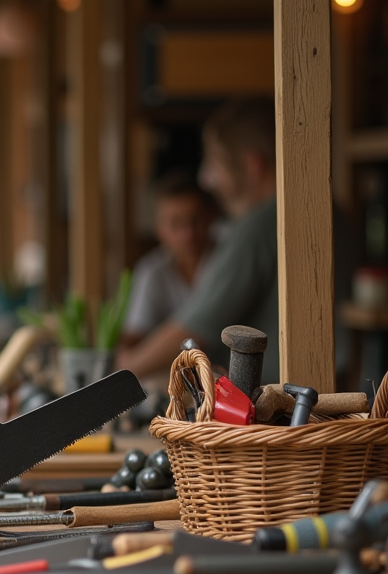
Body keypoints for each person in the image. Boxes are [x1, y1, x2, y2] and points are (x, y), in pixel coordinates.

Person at [117, 96, 280, 382]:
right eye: (175, 224)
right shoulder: (323, 211)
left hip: (283, 403)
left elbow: (195, 328)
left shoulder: (256, 228)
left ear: (253, 165)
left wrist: (123, 369)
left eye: (216, 165)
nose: (207, 180)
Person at [120, 172, 216, 348]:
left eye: (195, 220)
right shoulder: (151, 271)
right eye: (176, 223)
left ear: (211, 217)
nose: (188, 234)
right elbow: (135, 334)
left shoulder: (227, 259)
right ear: (159, 229)